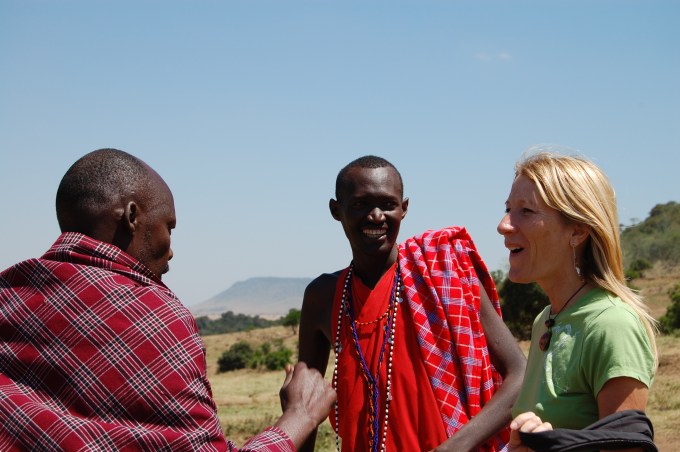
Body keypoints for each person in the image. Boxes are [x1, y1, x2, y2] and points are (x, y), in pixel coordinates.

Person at [0, 148, 335, 451]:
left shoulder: (8, 294)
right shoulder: (154, 317)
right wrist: (298, 417)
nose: (171, 250)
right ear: (132, 217)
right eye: (168, 227)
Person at [299, 155, 526, 451]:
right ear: (335, 210)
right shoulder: (324, 295)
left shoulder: (443, 274)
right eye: (360, 204)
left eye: (388, 204)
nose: (376, 216)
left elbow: (520, 375)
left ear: (404, 208)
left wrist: (455, 447)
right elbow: (303, 408)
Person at [496, 151, 657, 451]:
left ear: (578, 231)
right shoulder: (546, 318)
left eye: (526, 211)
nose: (504, 225)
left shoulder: (612, 324)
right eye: (508, 209)